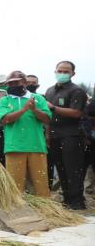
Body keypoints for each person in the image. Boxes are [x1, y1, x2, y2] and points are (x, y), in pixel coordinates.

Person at [0, 71, 51, 197]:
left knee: (41, 185)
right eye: (10, 83)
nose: (12, 85)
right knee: (14, 187)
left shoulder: (38, 98)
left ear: (25, 83)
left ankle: (46, 213)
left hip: (36, 146)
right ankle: (16, 213)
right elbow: (5, 120)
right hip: (14, 147)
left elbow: (47, 119)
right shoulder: (4, 100)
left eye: (16, 82)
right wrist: (24, 109)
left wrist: (34, 109)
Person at [45, 61, 88, 209]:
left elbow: (76, 113)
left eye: (66, 71)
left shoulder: (77, 91)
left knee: (73, 169)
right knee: (61, 168)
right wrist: (47, 134)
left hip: (72, 135)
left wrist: (54, 108)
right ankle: (67, 199)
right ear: (55, 71)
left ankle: (77, 202)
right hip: (55, 135)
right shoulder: (50, 91)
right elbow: (47, 115)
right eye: (60, 71)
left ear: (72, 74)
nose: (62, 74)